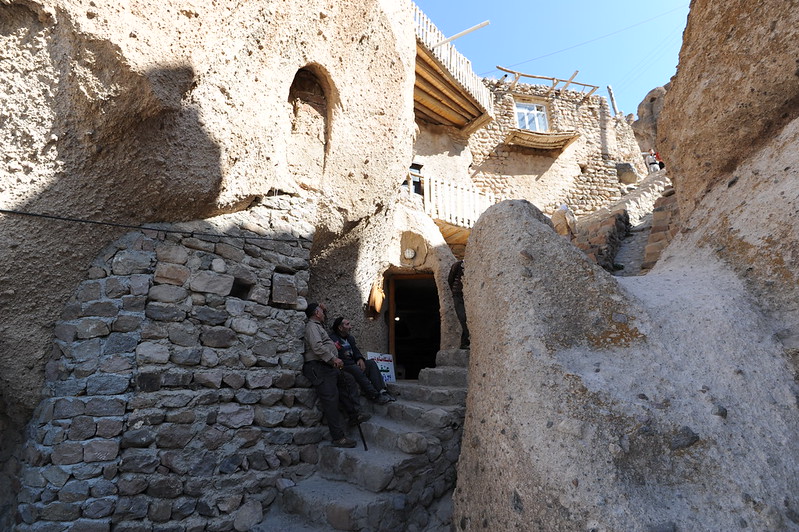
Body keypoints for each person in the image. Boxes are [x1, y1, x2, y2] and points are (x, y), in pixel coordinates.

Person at [303, 302, 369, 448]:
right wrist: (333, 358)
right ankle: (338, 437)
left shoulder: (318, 325)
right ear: (316, 313)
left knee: (348, 380)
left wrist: (323, 308)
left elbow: (323, 321)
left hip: (328, 366)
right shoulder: (312, 327)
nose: (324, 314)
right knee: (331, 400)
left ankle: (353, 415)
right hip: (319, 366)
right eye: (322, 311)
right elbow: (317, 347)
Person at [330, 317, 395, 404]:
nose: (350, 327)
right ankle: (374, 395)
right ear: (340, 328)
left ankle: (382, 391)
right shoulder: (333, 339)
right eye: (347, 324)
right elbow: (339, 356)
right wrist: (354, 364)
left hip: (353, 364)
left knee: (371, 363)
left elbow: (355, 350)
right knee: (355, 369)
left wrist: (360, 358)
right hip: (344, 366)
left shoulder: (350, 338)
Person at [448, 260, 469, 349]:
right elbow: (450, 279)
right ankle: (465, 342)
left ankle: (465, 342)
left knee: (468, 319)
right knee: (463, 318)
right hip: (458, 295)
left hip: (467, 295)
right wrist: (455, 291)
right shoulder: (457, 265)